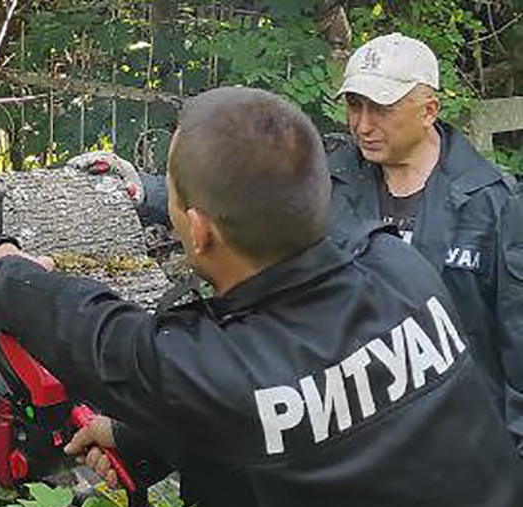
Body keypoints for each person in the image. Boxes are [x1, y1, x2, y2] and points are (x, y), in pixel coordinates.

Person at [0, 87, 523, 507]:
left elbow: (112, 343)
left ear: (198, 229)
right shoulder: (399, 268)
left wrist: (3, 276)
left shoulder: (229, 377)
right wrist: (135, 435)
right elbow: (305, 397)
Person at [71, 33, 523, 450]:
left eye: (381, 108)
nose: (362, 125)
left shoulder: (496, 206)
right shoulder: (327, 179)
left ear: (429, 110)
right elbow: (242, 203)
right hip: (343, 434)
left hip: (457, 448)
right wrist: (144, 192)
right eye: (354, 105)